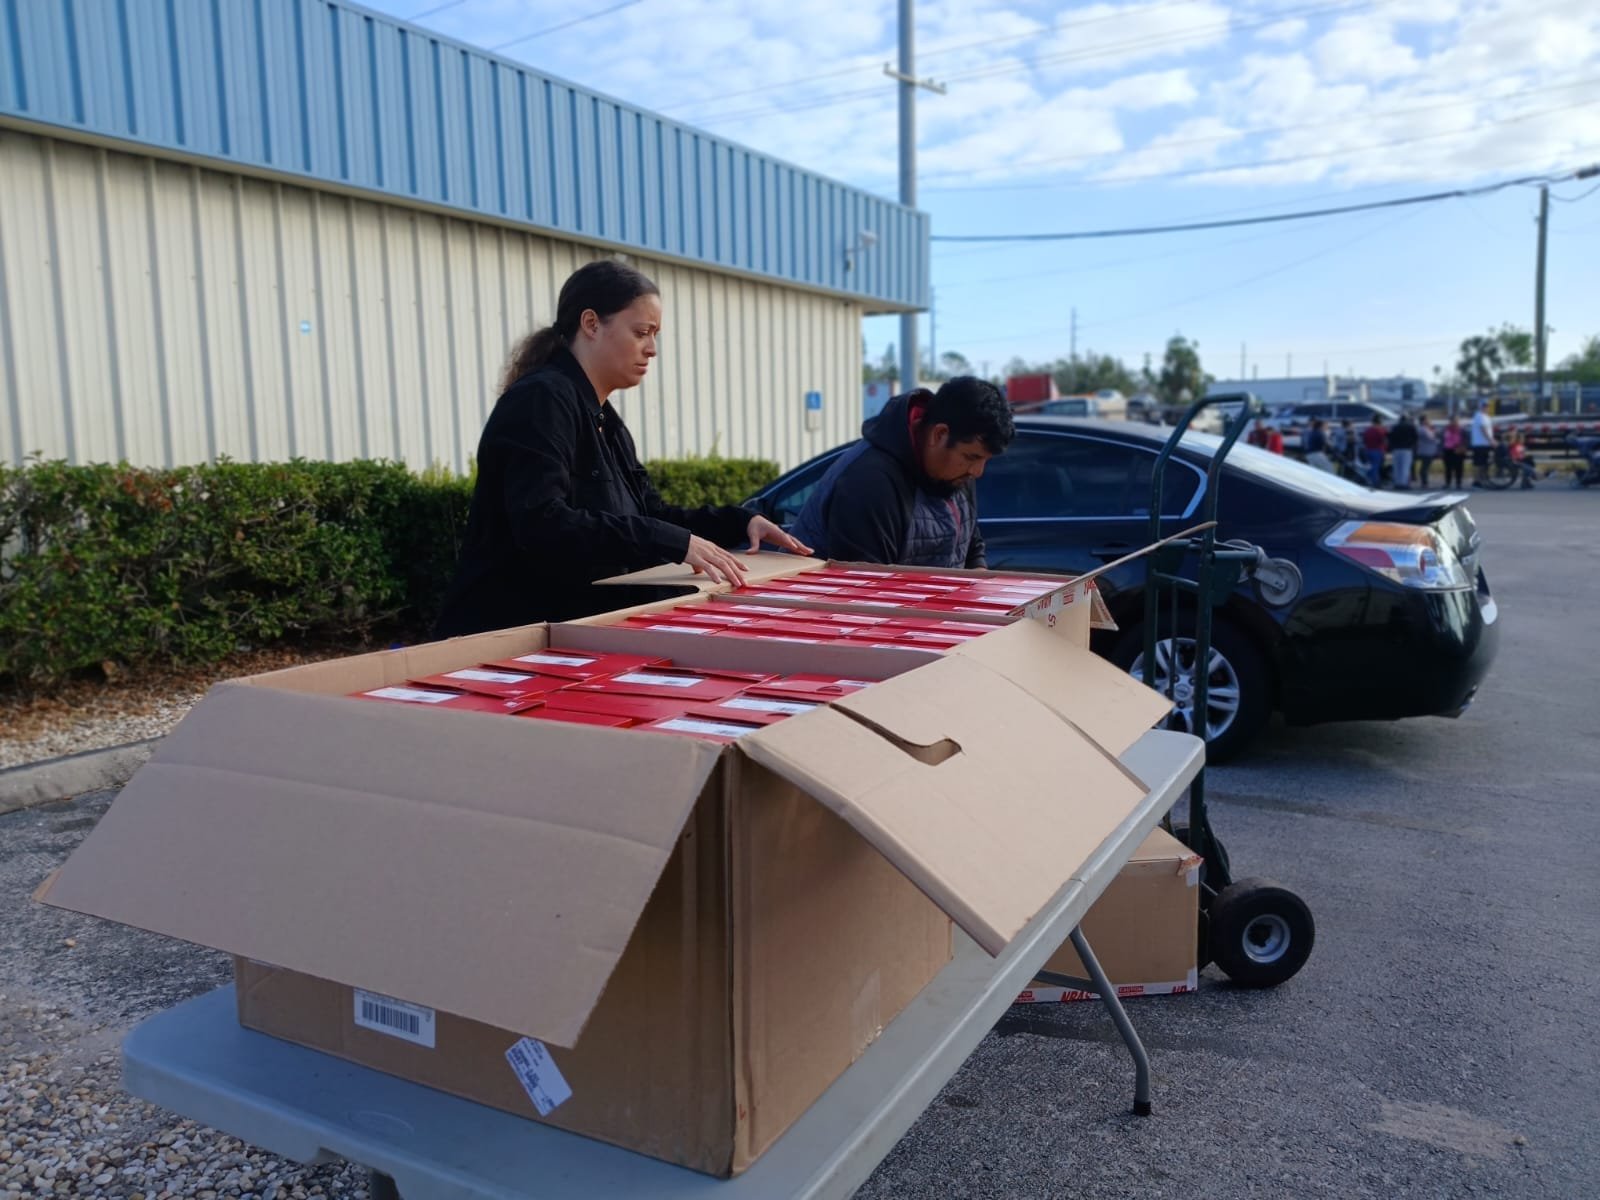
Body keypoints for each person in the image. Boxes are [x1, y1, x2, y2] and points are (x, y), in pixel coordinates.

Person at [435, 259, 807, 637]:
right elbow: (542, 523)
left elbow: (651, 514)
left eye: (655, 334)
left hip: (573, 632)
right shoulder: (541, 400)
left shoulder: (605, 419)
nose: (652, 349)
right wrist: (668, 540)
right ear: (591, 324)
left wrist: (738, 522)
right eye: (642, 332)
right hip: (510, 637)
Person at [788, 376, 1015, 567]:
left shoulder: (958, 471)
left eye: (985, 460)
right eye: (972, 457)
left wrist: (978, 581)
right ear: (939, 434)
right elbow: (866, 590)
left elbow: (971, 545)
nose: (977, 471)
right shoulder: (869, 482)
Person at [1388, 411, 1418, 490]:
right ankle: (1404, 484)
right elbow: (1415, 438)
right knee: (1405, 467)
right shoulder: (1411, 427)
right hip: (1407, 449)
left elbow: (1390, 438)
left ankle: (1397, 483)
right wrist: (1412, 445)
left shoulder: (1395, 427)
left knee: (1397, 467)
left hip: (1396, 449)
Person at [1469, 400, 1496, 488]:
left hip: (1485, 444)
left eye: (1487, 406)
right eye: (1484, 406)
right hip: (1479, 444)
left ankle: (1482, 480)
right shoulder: (1479, 416)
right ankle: (1476, 482)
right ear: (1480, 407)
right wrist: (1491, 440)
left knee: (1484, 463)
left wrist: (1490, 440)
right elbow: (1483, 430)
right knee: (1478, 464)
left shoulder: (1486, 417)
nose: (1486, 407)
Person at [1361, 414, 1388, 487]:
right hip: (1377, 450)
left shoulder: (1368, 430)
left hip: (1368, 450)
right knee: (1375, 467)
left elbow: (1364, 440)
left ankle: (1367, 480)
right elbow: (1384, 441)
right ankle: (1375, 482)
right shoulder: (1381, 430)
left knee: (1370, 467)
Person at [1441, 416, 1466, 489]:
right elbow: (1442, 439)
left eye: (1456, 421)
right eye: (1453, 421)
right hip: (1448, 450)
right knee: (1448, 468)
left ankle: (1458, 483)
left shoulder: (1461, 430)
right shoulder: (1446, 429)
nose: (1454, 422)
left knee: (1459, 467)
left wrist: (1463, 447)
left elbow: (1465, 440)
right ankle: (1447, 483)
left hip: (1458, 450)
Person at [1415, 415, 1439, 489]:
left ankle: (1424, 482)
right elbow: (1431, 437)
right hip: (1426, 451)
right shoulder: (1422, 429)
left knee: (1425, 467)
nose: (1429, 421)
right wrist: (1434, 432)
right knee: (1424, 467)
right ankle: (1424, 483)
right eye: (1427, 420)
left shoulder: (1425, 428)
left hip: (1427, 450)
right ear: (1423, 421)